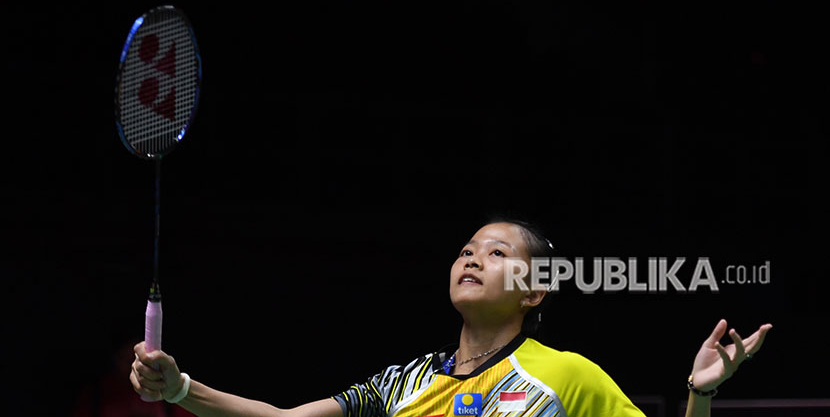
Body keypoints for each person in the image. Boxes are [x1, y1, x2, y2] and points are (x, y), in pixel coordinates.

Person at [130, 220, 772, 417]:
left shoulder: (565, 377)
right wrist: (183, 388)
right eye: (467, 250)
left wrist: (699, 394)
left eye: (498, 254)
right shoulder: (403, 383)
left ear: (533, 291)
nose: (472, 258)